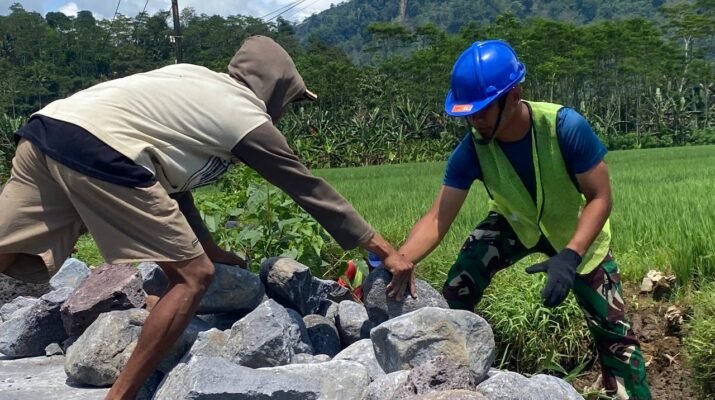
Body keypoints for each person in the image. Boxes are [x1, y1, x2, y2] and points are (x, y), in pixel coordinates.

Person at [0, 35, 414, 400]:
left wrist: (210, 246)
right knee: (194, 277)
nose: (286, 112)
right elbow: (307, 188)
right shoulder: (243, 113)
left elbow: (171, 181)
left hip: (48, 129)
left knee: (5, 248)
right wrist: (384, 250)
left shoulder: (196, 82)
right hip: (100, 148)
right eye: (289, 101)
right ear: (275, 90)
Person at [398, 40, 651, 399]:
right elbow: (439, 216)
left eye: (482, 110)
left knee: (615, 337)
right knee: (458, 286)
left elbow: (600, 198)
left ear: (514, 96)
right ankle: (451, 379)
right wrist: (400, 260)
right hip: (515, 224)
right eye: (468, 113)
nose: (474, 120)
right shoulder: (472, 148)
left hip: (576, 232)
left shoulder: (564, 127)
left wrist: (571, 255)